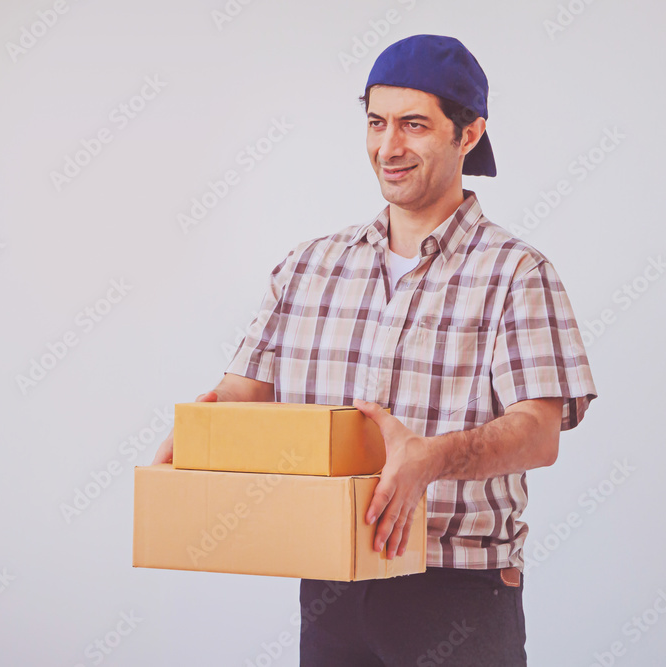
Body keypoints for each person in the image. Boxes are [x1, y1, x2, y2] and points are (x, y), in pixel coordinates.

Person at [152, 34, 597, 665]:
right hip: (331, 582)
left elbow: (538, 433)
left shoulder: (517, 274)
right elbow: (241, 394)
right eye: (376, 123)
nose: (389, 147)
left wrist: (430, 459)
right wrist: (199, 432)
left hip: (456, 590)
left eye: (414, 125)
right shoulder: (308, 267)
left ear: (467, 135)